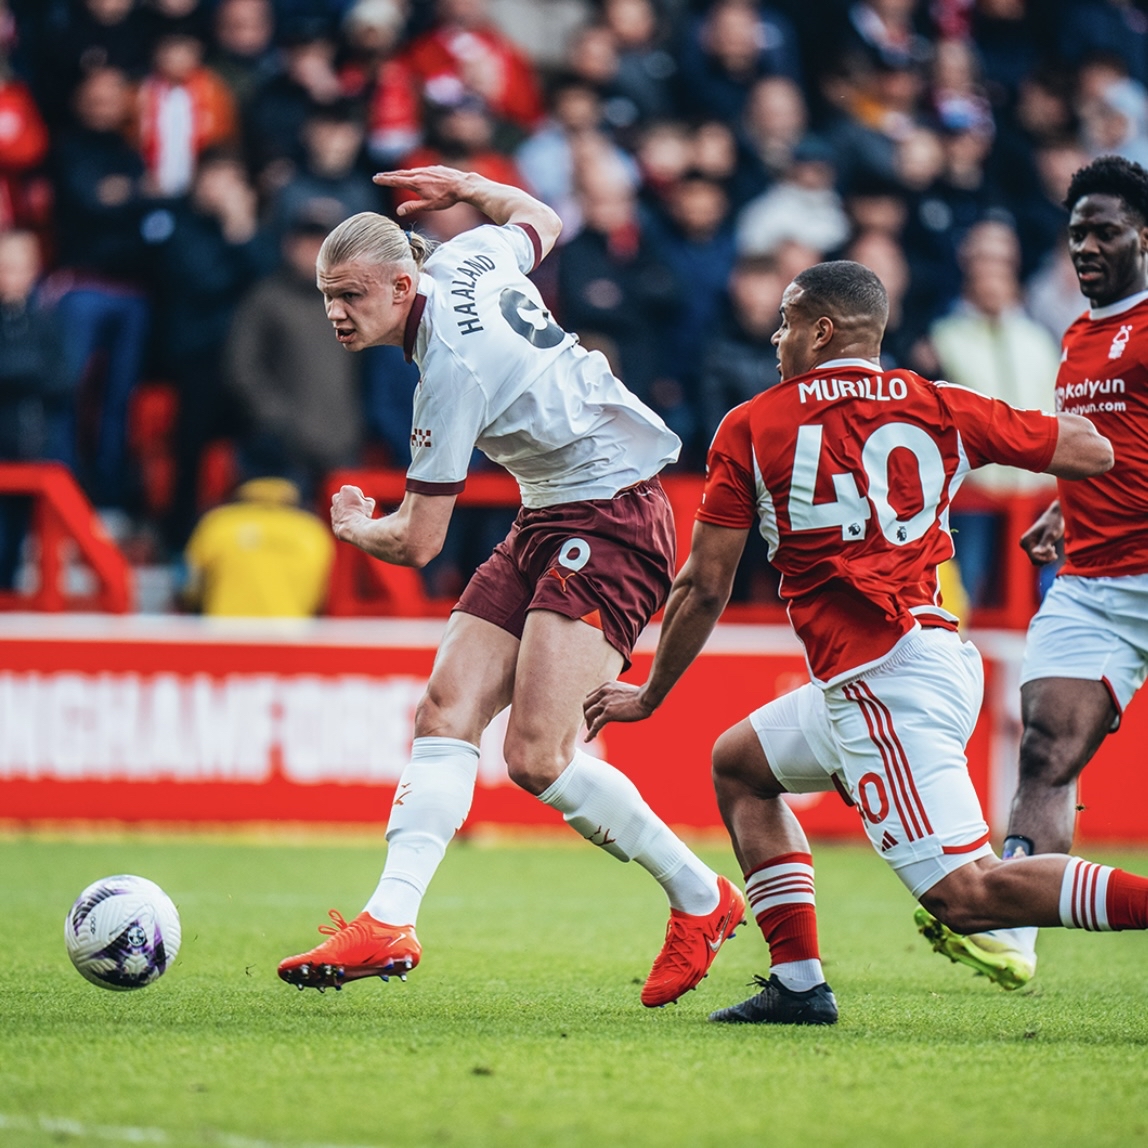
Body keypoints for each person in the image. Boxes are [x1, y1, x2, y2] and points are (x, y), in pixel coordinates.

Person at [581, 259, 1148, 1027]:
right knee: (741, 767)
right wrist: (1016, 475)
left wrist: (649, 692)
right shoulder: (936, 401)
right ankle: (799, 984)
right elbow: (1094, 450)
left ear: (822, 330)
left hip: (880, 681)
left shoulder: (753, 423)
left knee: (968, 897)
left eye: (787, 322)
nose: (778, 336)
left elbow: (703, 585)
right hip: (926, 656)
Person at [277, 166, 744, 1007]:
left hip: (612, 520)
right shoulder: (472, 255)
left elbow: (417, 542)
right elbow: (540, 215)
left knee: (536, 757)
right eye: (325, 296)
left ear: (400, 282)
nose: (337, 313)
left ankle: (700, 897)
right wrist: (464, 183)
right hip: (551, 513)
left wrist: (353, 525)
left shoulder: (447, 367)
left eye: (351, 294)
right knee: (445, 708)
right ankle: (389, 920)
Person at [915, 154, 1148, 988]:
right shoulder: (1078, 335)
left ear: (1144, 237)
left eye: (1105, 230)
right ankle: (1014, 928)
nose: (1085, 244)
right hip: (1094, 579)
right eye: (1077, 230)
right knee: (1048, 747)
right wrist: (1065, 503)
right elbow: (1109, 445)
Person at [182, 475, 334, 616]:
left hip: (225, 635)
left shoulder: (218, 524)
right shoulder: (312, 530)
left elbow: (190, 589)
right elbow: (323, 597)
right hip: (291, 637)